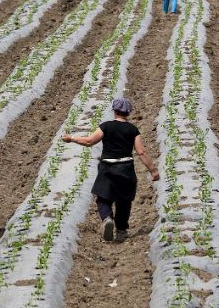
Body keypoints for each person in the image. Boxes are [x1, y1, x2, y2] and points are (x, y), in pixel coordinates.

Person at [62, 98, 159, 242]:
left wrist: (72, 138)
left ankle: (107, 218)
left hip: (108, 167)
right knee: (124, 201)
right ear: (128, 113)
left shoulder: (106, 126)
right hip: (126, 169)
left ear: (114, 111)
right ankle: (121, 230)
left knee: (103, 197)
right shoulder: (133, 130)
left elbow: (89, 141)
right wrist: (153, 170)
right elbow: (141, 152)